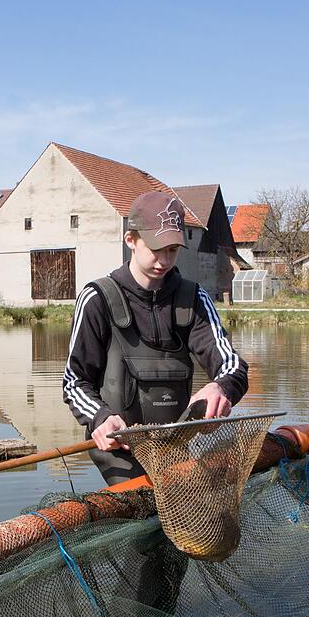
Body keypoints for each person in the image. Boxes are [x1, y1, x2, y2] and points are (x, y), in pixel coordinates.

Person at [63, 191, 249, 485]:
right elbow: (74, 382)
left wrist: (221, 388)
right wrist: (99, 417)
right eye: (156, 249)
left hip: (175, 446)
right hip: (119, 450)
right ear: (131, 241)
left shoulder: (194, 298)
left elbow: (232, 366)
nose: (164, 260)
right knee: (143, 512)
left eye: (173, 250)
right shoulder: (97, 298)